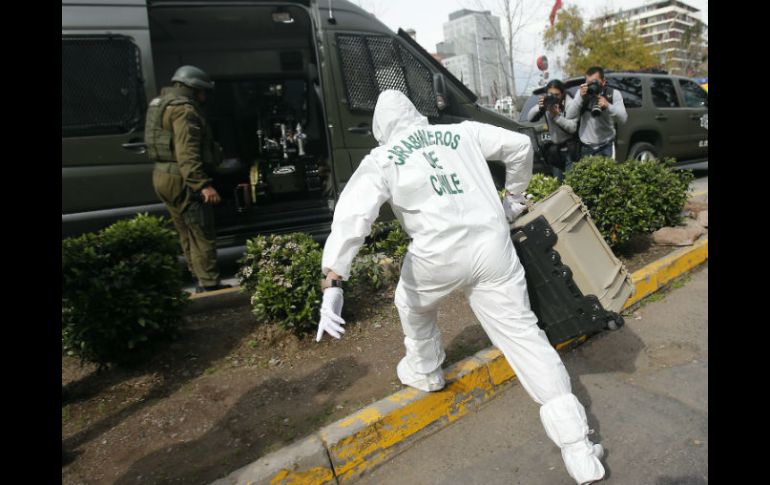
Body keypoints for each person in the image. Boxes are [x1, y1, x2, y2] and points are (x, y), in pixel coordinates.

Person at [315, 90, 605, 484]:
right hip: (493, 249)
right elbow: (520, 144)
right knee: (524, 338)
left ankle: (426, 368)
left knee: (411, 303)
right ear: (416, 115)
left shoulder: (381, 159)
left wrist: (333, 279)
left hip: (436, 256)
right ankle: (579, 451)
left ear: (380, 128)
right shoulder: (462, 133)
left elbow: (352, 217)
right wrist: (514, 197)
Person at [144, 65, 230, 293]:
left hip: (162, 175)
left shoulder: (160, 104)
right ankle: (210, 283)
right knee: (201, 230)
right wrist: (202, 185)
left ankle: (198, 277)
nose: (205, 97)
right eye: (203, 92)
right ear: (192, 89)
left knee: (185, 231)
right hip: (181, 178)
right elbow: (187, 152)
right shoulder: (184, 110)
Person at [566, 66, 627, 160]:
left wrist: (608, 106)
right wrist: (580, 98)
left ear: (603, 82)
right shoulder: (581, 93)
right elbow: (569, 116)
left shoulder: (613, 94)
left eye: (595, 82)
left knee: (608, 174)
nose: (592, 86)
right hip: (586, 147)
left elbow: (623, 118)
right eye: (589, 83)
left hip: (606, 145)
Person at [527, 79, 578, 181]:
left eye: (557, 94)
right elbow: (530, 118)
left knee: (571, 184)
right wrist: (540, 107)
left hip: (570, 150)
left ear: (562, 93)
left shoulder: (571, 104)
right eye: (550, 94)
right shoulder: (547, 103)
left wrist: (556, 116)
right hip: (556, 151)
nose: (554, 97)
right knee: (556, 184)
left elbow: (573, 128)